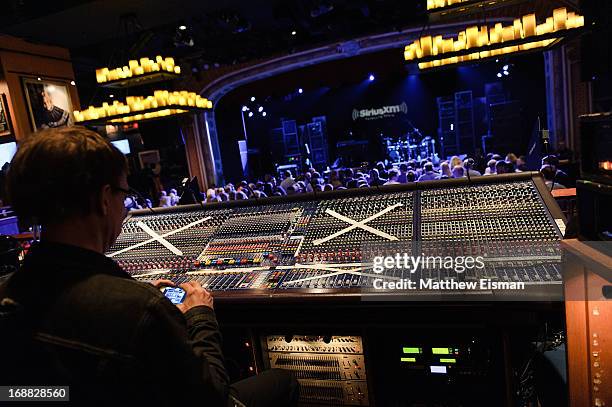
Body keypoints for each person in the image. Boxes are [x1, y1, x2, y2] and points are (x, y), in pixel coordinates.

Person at [0, 127, 298, 406]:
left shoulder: (6, 293)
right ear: (105, 199)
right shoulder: (140, 310)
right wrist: (200, 316)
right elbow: (212, 398)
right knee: (282, 381)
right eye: (123, 194)